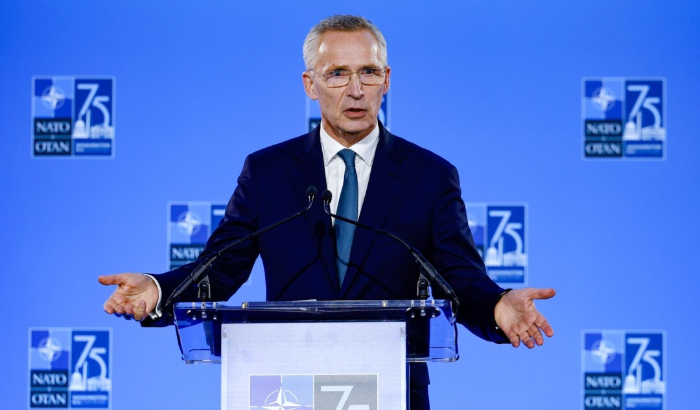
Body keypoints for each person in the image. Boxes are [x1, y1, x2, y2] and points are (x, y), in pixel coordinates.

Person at [99, 14, 555, 409]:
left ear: (387, 79)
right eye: (337, 73)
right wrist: (158, 289)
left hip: (391, 391)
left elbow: (460, 277)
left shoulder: (429, 176)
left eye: (368, 72)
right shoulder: (268, 171)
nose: (356, 90)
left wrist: (497, 305)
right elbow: (220, 268)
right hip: (286, 388)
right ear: (310, 84)